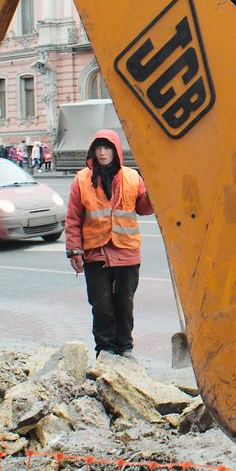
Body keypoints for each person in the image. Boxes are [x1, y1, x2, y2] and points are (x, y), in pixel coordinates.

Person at [66, 130, 153, 356]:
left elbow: (143, 208)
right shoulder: (81, 180)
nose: (103, 153)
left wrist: (154, 191)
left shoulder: (133, 177)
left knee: (124, 305)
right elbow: (74, 219)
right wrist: (74, 250)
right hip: (96, 254)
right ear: (93, 151)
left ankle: (125, 348)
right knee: (102, 306)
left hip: (127, 253)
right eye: (99, 148)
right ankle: (105, 350)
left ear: (115, 151)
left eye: (107, 148)